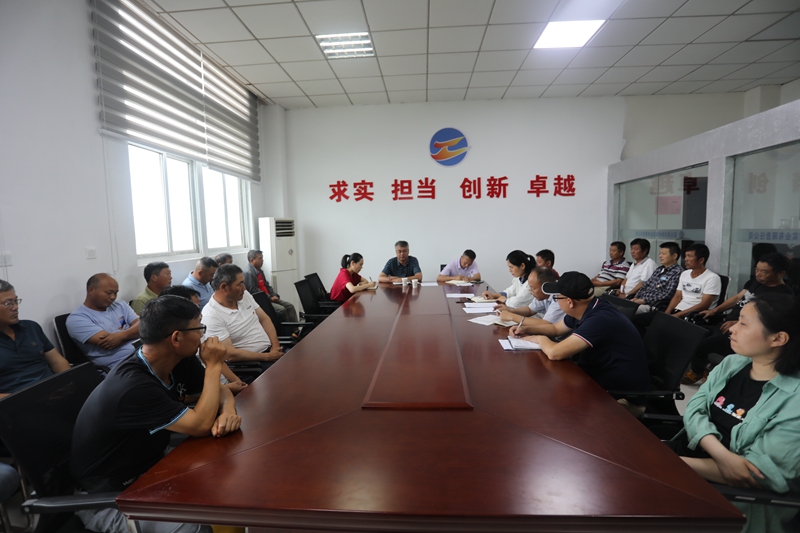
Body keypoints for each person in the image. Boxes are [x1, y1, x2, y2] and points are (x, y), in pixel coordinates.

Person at [71, 295, 240, 533]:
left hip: (152, 467)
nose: (203, 335)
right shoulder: (133, 386)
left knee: (229, 476)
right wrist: (213, 365)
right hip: (111, 497)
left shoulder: (178, 360)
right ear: (176, 338)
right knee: (194, 527)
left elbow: (220, 390)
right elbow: (201, 425)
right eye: (199, 327)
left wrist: (228, 411)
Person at [667, 294, 800, 533]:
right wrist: (722, 455)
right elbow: (694, 409)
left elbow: (759, 474)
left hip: (727, 497)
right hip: (685, 464)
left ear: (778, 338)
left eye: (743, 324)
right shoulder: (732, 364)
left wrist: (669, 464)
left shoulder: (794, 398)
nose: (732, 329)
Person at [524, 272, 650, 407]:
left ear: (569, 302)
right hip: (596, 381)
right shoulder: (587, 306)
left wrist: (539, 338)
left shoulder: (599, 320)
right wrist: (526, 330)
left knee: (550, 404)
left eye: (556, 297)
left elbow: (555, 353)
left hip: (621, 398)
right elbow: (556, 329)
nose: (556, 301)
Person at [681, 253, 794, 385]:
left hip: (742, 334)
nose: (758, 274)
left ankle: (697, 372)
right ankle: (707, 368)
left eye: (764, 272)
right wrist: (714, 311)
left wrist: (739, 323)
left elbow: (769, 322)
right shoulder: (755, 282)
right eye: (756, 270)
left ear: (780, 273)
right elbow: (736, 299)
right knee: (693, 334)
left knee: (702, 345)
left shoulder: (783, 295)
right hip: (725, 325)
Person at [159, 285, 247, 395]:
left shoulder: (198, 331)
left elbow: (218, 361)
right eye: (195, 308)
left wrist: (237, 382)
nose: (200, 313)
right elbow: (187, 397)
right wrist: (226, 389)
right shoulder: (181, 353)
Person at [202, 264, 284, 367]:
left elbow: (264, 319)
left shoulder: (244, 296)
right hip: (252, 363)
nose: (244, 288)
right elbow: (230, 354)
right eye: (240, 284)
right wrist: (267, 357)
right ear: (224, 287)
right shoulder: (211, 315)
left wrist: (275, 346)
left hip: (270, 352)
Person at [0, 279, 70, 398]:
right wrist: (30, 399)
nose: (15, 307)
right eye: (8, 303)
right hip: (18, 401)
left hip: (54, 391)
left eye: (16, 301)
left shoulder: (31, 327)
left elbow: (57, 361)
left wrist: (69, 381)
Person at [66, 274, 140, 372]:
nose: (113, 297)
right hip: (120, 366)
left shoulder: (121, 305)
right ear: (91, 290)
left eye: (115, 293)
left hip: (143, 353)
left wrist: (121, 336)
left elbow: (144, 326)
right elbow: (109, 342)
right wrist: (135, 332)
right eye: (109, 293)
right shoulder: (77, 318)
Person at [495, 267, 565, 335]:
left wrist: (511, 316)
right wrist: (510, 310)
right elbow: (530, 310)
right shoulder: (544, 295)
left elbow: (545, 324)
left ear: (545, 286)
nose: (531, 292)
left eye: (533, 288)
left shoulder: (560, 298)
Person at [243, 250, 298, 323]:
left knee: (290, 306)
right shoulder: (248, 273)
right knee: (282, 309)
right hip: (262, 301)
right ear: (252, 260)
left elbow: (267, 285)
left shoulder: (259, 270)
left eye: (262, 258)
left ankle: (295, 328)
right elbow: (253, 291)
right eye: (260, 258)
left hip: (269, 298)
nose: (262, 260)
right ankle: (286, 329)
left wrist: (273, 294)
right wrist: (269, 298)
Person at [628, 241, 683, 312]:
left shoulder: (677, 272)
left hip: (654, 305)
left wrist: (644, 300)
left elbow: (667, 294)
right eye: (660, 253)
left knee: (626, 310)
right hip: (640, 301)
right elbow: (645, 285)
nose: (660, 256)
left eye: (663, 254)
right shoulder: (659, 269)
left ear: (674, 256)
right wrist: (636, 297)